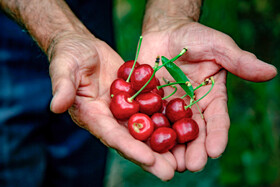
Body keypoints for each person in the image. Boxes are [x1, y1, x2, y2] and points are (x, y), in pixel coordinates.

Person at [0, 0, 277, 185]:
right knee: (15, 157)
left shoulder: (152, 99)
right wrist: (59, 32)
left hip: (90, 9)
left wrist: (171, 16)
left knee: (82, 149)